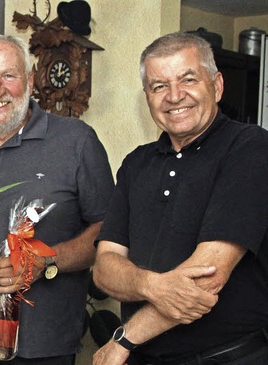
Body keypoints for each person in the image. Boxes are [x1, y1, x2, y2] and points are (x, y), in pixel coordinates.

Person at [0, 34, 114, 364]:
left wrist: (45, 260)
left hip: (43, 345)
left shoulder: (77, 141)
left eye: (8, 76)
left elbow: (109, 229)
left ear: (30, 79)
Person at [92, 32, 268, 365]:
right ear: (147, 96)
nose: (174, 96)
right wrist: (152, 285)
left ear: (216, 85)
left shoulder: (250, 148)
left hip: (229, 357)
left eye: (188, 80)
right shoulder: (136, 163)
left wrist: (123, 341)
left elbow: (206, 279)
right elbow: (104, 268)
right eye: (159, 86)